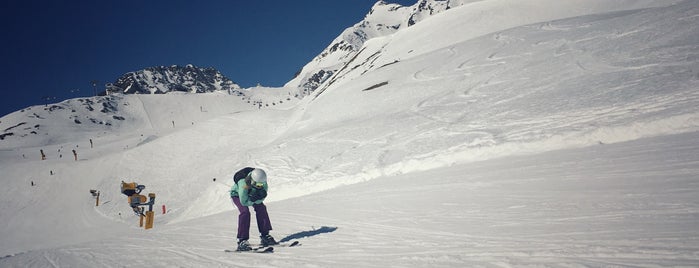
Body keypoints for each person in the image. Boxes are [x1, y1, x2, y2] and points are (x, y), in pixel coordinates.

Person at [230, 167, 277, 251]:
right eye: (258, 185)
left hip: (252, 195)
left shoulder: (263, 183)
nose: (260, 186)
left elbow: (261, 200)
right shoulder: (243, 184)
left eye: (261, 185)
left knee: (261, 208)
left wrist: (258, 197)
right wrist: (252, 199)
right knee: (245, 212)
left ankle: (265, 235)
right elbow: (244, 202)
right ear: (252, 180)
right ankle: (242, 240)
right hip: (237, 195)